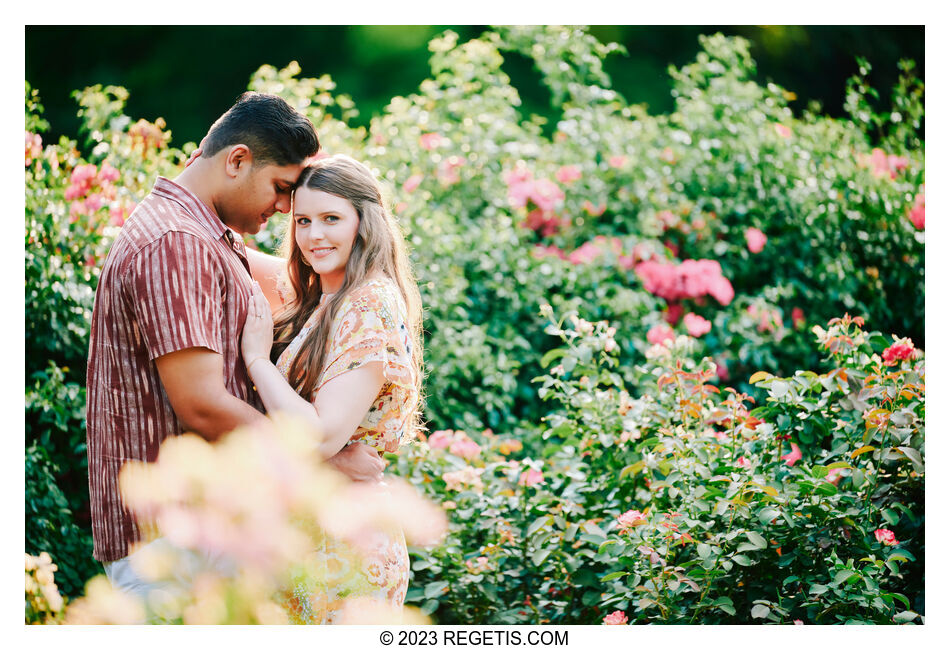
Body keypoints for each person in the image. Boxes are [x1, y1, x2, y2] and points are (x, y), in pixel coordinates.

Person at [85, 93, 385, 605]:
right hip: (170, 546)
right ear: (237, 160)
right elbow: (202, 403)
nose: (287, 208)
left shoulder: (204, 236)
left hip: (197, 538)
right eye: (282, 188)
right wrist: (326, 466)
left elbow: (302, 282)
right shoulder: (175, 242)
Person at [240, 154, 423, 624]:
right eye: (303, 221)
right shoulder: (329, 296)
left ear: (365, 223)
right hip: (313, 537)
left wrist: (259, 360)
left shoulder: (367, 302)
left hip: (346, 549)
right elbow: (244, 258)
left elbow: (320, 436)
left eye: (331, 219)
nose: (314, 235)